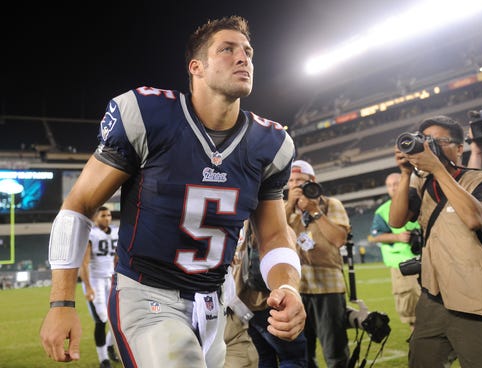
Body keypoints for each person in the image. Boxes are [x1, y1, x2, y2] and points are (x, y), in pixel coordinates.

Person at [40, 15, 306, 368]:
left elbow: (273, 234)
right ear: (196, 67)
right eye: (227, 50)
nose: (243, 58)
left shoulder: (270, 144)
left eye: (247, 51)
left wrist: (286, 286)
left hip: (216, 303)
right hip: (147, 296)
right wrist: (61, 303)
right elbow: (79, 205)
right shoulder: (149, 117)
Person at [390, 115, 482, 368]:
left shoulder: (481, 180)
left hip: (476, 302)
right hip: (433, 298)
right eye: (424, 140)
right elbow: (396, 220)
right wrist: (404, 173)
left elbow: (474, 218)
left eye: (437, 141)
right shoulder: (421, 184)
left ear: (459, 148)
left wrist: (436, 168)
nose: (428, 146)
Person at [285, 160, 351, 368]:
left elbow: (339, 239)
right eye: (291, 181)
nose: (295, 185)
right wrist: (288, 206)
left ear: (312, 181)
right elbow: (273, 237)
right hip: (296, 289)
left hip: (328, 288)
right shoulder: (284, 208)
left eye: (301, 181)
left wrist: (315, 211)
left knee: (335, 352)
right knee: (302, 354)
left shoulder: (332, 205)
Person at [230, 220, 307, 368]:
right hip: (268, 302)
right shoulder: (266, 226)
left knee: (264, 358)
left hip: (241, 304)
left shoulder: (235, 224)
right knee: (292, 358)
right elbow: (290, 253)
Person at [368, 172, 421, 334]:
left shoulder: (421, 203)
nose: (393, 187)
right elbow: (373, 237)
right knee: (413, 314)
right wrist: (397, 237)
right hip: (403, 267)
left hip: (429, 261)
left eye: (397, 183)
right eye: (390, 185)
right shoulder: (383, 211)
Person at [79, 206, 120, 368]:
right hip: (96, 281)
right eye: (103, 215)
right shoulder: (92, 234)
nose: (107, 218)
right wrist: (88, 287)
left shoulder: (116, 232)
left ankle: (110, 346)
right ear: (96, 218)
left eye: (109, 215)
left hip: (111, 279)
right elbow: (84, 263)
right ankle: (103, 359)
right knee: (102, 319)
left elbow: (117, 258)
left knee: (118, 319)